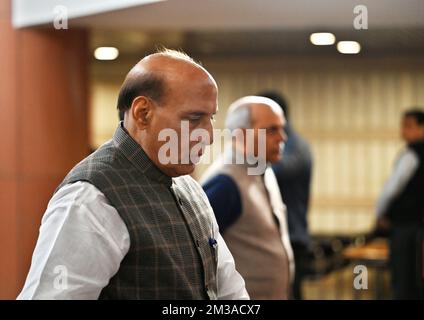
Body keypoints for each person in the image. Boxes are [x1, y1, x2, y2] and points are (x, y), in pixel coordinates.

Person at [17, 49, 248, 300]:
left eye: (210, 118)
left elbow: (228, 290)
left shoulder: (189, 187)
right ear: (142, 113)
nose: (209, 135)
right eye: (194, 118)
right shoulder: (90, 198)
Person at [201, 96, 294, 299]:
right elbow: (199, 255)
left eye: (282, 128)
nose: (283, 137)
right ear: (242, 135)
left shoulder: (263, 170)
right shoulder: (225, 183)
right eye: (272, 130)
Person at [257, 90, 313, 300]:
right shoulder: (292, 145)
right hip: (286, 235)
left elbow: (268, 172)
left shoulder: (292, 148)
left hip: (290, 235)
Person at [376, 108, 424, 300]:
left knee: (404, 280)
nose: (403, 130)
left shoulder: (411, 155)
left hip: (406, 227)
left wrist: (380, 213)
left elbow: (392, 188)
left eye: (409, 126)